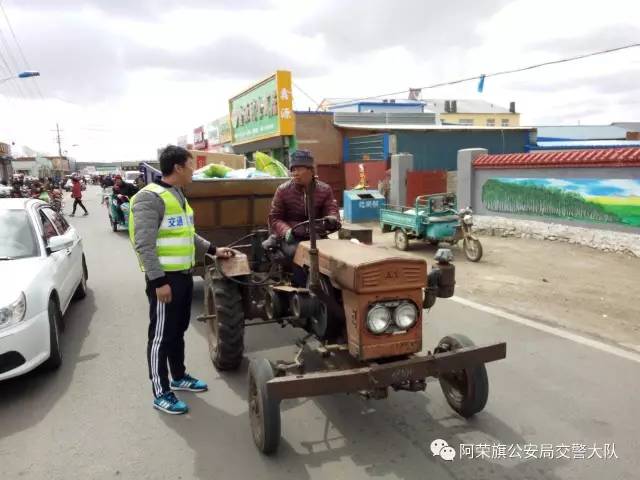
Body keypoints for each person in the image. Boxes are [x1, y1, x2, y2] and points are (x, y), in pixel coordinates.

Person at [129, 145, 234, 415]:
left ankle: (178, 376)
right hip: (166, 281)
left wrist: (213, 250)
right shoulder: (149, 198)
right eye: (191, 164)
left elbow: (189, 236)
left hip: (184, 277)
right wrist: (158, 282)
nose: (193, 170)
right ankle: (160, 392)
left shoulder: (177, 195)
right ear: (177, 167)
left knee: (177, 332)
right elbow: (144, 244)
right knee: (160, 336)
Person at [268, 149, 341, 252]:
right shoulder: (283, 190)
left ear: (311, 170)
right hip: (291, 238)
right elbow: (275, 218)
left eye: (299, 169)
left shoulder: (325, 190)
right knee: (299, 254)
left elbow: (331, 209)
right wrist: (286, 231)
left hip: (316, 234)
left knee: (331, 253)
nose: (295, 173)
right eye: (293, 170)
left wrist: (332, 218)